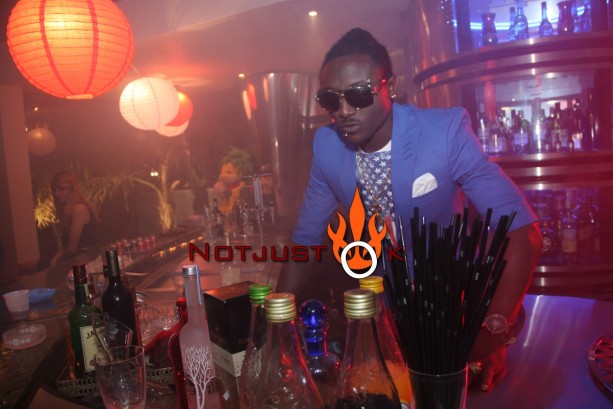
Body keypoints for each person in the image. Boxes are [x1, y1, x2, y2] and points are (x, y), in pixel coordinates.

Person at [276, 28, 542, 392]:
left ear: (391, 86)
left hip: (455, 304)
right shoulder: (327, 146)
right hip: (385, 317)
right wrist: (274, 329)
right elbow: (305, 243)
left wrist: (491, 333)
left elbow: (523, 234)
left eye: (358, 94)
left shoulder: (444, 132)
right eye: (330, 99)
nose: (344, 111)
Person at [49, 171, 99, 267]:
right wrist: (54, 259)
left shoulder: (79, 209)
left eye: (61, 189)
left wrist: (57, 262)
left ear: (72, 189)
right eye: (55, 191)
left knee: (26, 268)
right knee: (25, 267)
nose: (57, 194)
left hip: (83, 260)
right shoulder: (69, 212)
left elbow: (72, 249)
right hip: (74, 259)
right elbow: (65, 246)